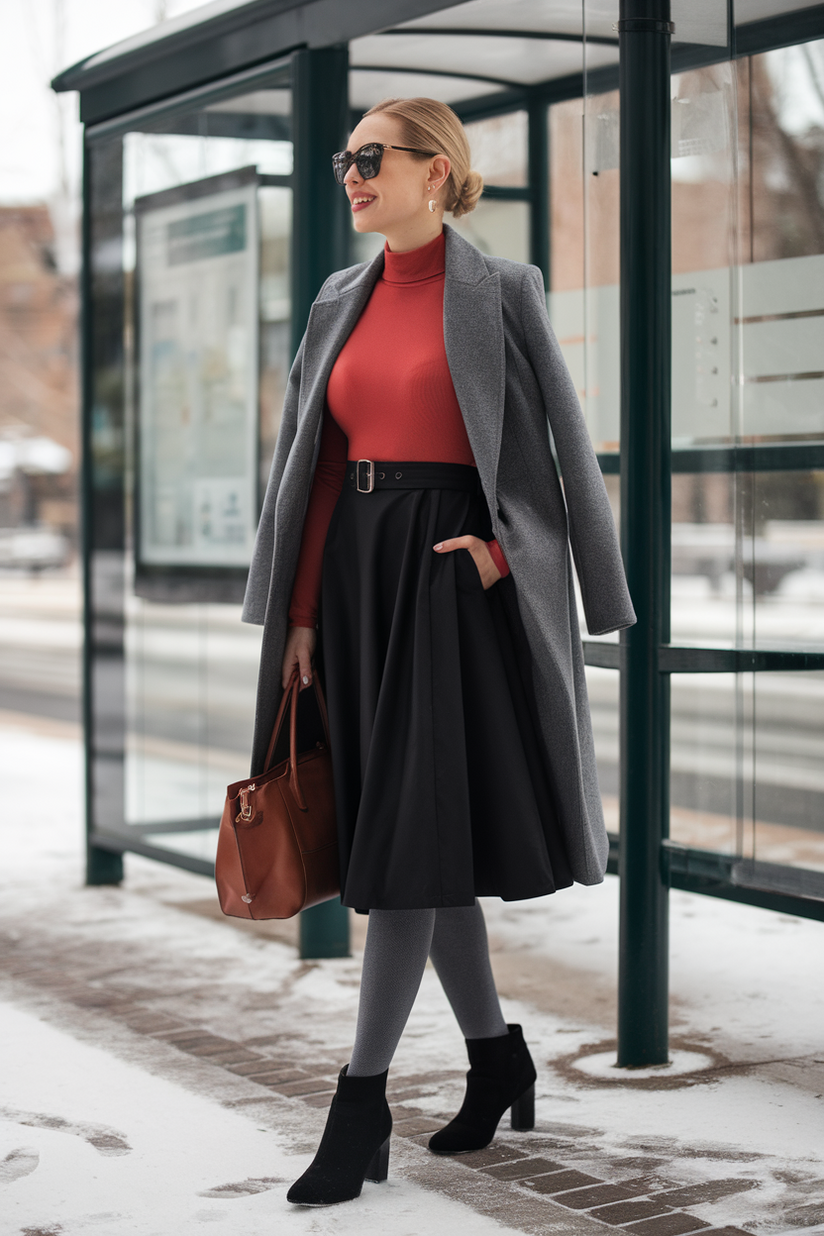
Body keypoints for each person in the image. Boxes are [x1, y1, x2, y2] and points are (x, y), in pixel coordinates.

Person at [241, 96, 636, 1208]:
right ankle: (496, 1056)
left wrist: (515, 564)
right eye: (342, 160)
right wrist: (302, 616)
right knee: (416, 846)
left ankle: (357, 1105)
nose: (352, 176)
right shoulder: (336, 298)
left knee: (406, 852)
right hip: (358, 585)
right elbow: (314, 467)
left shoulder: (499, 291)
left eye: (371, 159)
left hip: (447, 584)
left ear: (435, 170)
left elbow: (559, 448)